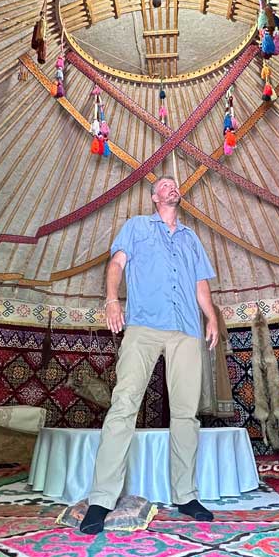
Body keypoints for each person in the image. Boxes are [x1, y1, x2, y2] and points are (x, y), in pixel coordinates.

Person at [79, 176, 218, 534]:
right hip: (143, 325)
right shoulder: (137, 227)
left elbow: (201, 284)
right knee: (124, 405)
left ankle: (186, 496)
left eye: (176, 185)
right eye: (166, 185)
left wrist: (212, 317)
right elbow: (117, 264)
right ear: (155, 196)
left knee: (186, 414)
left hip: (186, 329)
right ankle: (101, 499)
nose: (174, 188)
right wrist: (112, 300)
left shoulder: (191, 238)